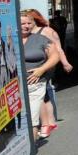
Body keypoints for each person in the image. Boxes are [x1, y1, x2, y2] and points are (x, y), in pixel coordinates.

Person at [27, 10, 72, 138]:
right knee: (44, 94)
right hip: (36, 67)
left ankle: (46, 123)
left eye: (28, 21)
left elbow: (58, 49)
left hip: (46, 67)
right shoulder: (26, 33)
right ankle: (50, 121)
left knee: (41, 93)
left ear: (35, 20)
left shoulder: (47, 31)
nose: (26, 24)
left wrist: (65, 63)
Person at [20, 10, 59, 140]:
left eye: (29, 23)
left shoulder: (41, 39)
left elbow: (55, 56)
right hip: (14, 86)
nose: (26, 26)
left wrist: (41, 69)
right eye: (22, 23)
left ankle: (31, 152)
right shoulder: (9, 39)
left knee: (31, 119)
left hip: (35, 85)